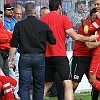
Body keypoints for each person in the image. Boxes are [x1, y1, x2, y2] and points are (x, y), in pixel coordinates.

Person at [39, 0, 98, 100]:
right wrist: (89, 38)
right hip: (60, 55)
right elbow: (75, 36)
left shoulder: (41, 20)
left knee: (47, 84)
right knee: (68, 83)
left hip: (46, 56)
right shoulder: (63, 18)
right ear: (60, 7)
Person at [8, 2, 56, 100]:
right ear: (36, 11)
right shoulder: (43, 25)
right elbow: (52, 41)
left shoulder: (19, 25)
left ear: (25, 12)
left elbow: (13, 44)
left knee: (24, 85)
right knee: (39, 85)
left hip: (25, 56)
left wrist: (11, 59)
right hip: (39, 56)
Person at [71, 8, 97, 92]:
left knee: (94, 80)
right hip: (80, 57)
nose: (96, 19)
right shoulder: (85, 27)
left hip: (92, 57)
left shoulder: (96, 27)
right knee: (75, 83)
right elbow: (89, 45)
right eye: (94, 17)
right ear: (89, 16)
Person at [0, 11, 12, 76]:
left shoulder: (2, 27)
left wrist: (7, 38)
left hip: (5, 51)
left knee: (6, 71)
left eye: (1, 17)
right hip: (0, 50)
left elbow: (10, 36)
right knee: (1, 71)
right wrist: (8, 39)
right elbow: (1, 38)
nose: (0, 18)